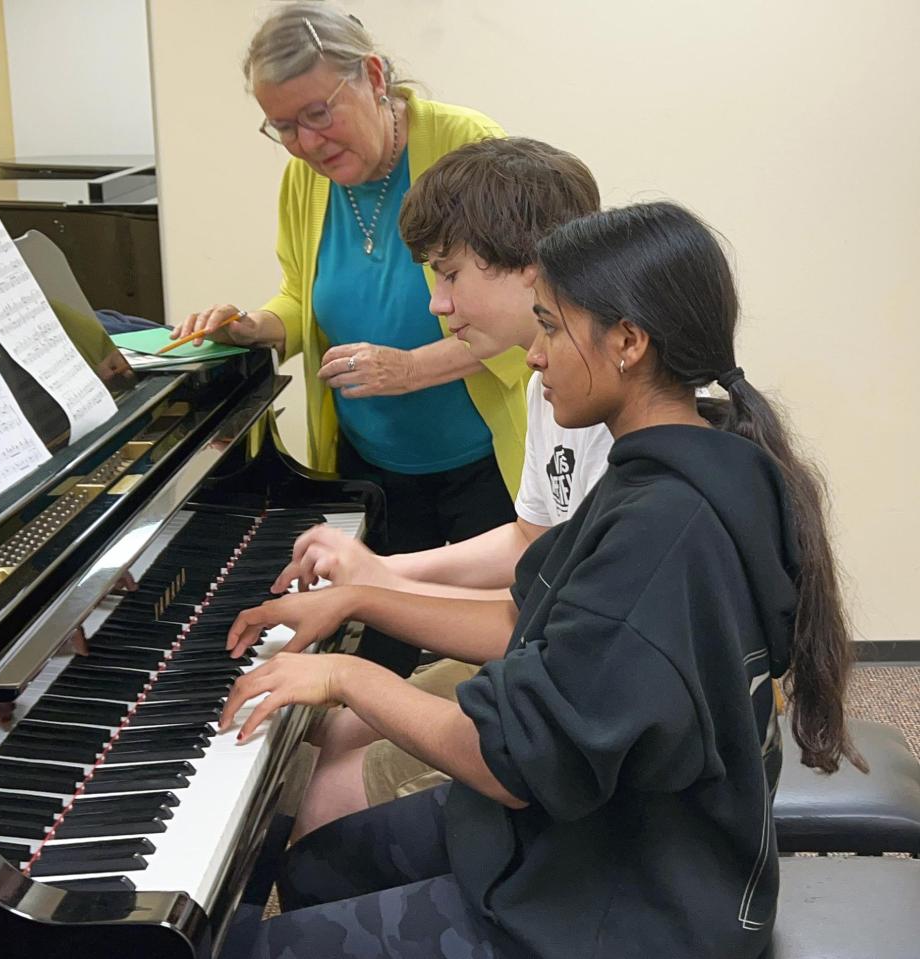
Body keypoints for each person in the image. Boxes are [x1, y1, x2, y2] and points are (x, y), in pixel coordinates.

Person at [219, 201, 865, 958]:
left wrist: (343, 676)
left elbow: (508, 762)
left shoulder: (663, 528)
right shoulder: (684, 460)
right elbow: (524, 618)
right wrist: (361, 596)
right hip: (603, 828)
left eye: (551, 327)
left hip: (626, 903)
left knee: (255, 947)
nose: (533, 353)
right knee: (318, 865)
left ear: (628, 341)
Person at [171, 2, 531, 676]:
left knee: (500, 649)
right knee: (381, 641)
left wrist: (414, 367)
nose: (306, 143)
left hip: (484, 463)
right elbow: (304, 296)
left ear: (371, 75)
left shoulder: (465, 144)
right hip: (376, 466)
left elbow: (526, 309)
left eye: (317, 114)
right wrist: (254, 327)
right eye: (282, 127)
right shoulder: (304, 179)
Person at [271, 136, 608, 838]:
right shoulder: (550, 374)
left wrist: (367, 599)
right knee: (329, 738)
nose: (437, 302)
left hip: (583, 696)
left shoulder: (602, 398)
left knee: (323, 800)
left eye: (450, 275)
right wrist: (384, 568)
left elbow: (536, 621)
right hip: (548, 661)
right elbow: (531, 541)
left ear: (532, 262)